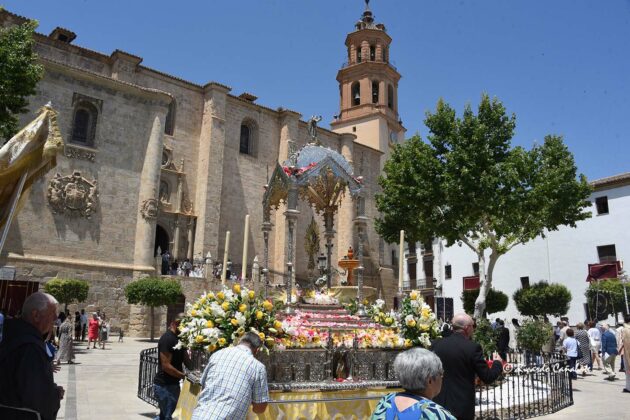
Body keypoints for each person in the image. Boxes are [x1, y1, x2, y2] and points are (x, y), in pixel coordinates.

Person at [0, 292, 65, 420]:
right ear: (36, 315)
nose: (55, 318)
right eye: (52, 313)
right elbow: (38, 398)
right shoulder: (30, 347)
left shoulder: (11, 334)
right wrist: (56, 394)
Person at [431, 313, 503, 420]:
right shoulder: (472, 348)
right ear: (467, 328)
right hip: (461, 407)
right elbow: (487, 377)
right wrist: (498, 363)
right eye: (473, 326)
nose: (474, 329)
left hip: (438, 404)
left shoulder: (436, 344)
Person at [192, 332, 269, 420]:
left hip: (200, 415)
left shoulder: (217, 354)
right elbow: (259, 408)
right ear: (257, 350)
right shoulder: (258, 367)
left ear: (239, 342)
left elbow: (203, 385)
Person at [371, 348, 456, 419]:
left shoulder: (386, 401)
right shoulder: (436, 414)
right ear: (430, 380)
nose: (442, 377)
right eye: (441, 374)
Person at [154, 313, 189, 420]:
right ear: (174, 323)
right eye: (181, 324)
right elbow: (166, 366)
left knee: (164, 416)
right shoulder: (167, 339)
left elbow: (185, 359)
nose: (184, 328)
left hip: (172, 384)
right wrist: (184, 376)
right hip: (165, 386)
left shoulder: (179, 338)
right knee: (168, 416)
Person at [619, 313, 630, 393]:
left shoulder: (624, 329)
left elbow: (624, 342)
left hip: (628, 352)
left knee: (628, 371)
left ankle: (628, 387)